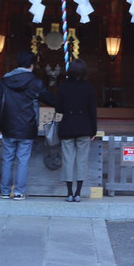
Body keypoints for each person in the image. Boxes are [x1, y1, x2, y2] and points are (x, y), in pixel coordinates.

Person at [0, 49, 52, 200]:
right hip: (27, 126)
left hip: (7, 126)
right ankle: (19, 192)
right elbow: (50, 99)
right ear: (32, 65)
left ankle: (5, 191)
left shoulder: (5, 80)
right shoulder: (35, 82)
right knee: (23, 160)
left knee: (7, 159)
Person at [53, 58, 97, 202]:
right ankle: (78, 193)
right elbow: (92, 111)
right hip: (84, 126)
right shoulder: (88, 87)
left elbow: (58, 108)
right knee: (82, 160)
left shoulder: (64, 86)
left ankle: (69, 193)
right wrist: (93, 130)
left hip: (68, 126)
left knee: (68, 160)